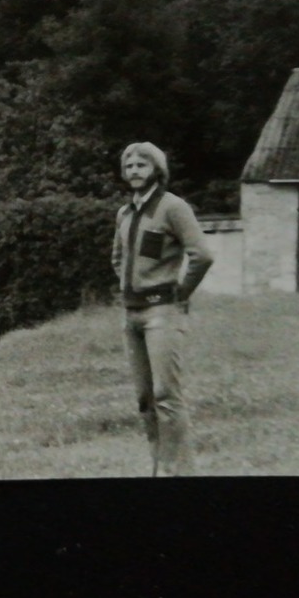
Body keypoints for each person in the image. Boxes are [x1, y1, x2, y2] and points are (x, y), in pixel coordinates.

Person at [111, 141, 213, 476]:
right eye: (129, 166)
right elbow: (118, 258)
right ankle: (158, 468)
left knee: (167, 396)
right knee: (145, 400)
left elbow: (202, 255)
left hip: (162, 314)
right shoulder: (124, 213)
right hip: (132, 315)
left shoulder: (173, 207)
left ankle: (178, 473)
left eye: (142, 164)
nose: (134, 171)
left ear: (157, 169)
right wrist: (132, 287)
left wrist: (180, 293)